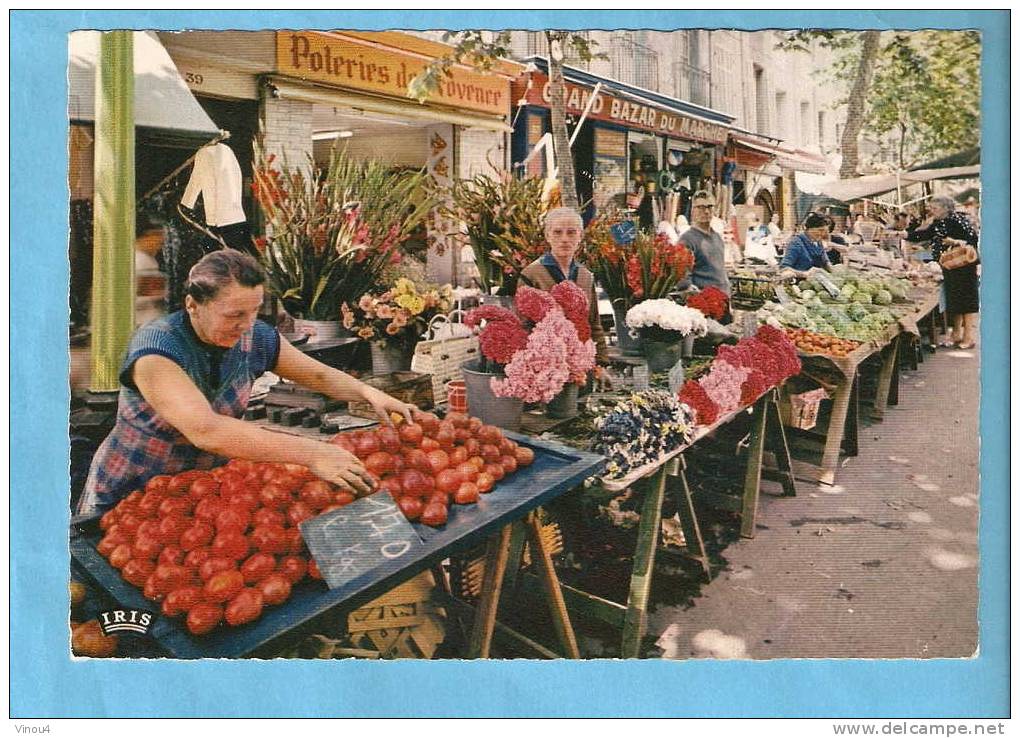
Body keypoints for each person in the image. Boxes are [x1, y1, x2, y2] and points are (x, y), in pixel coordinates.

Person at [78, 250, 416, 515]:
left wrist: (367, 392)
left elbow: (317, 375)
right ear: (193, 305)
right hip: (129, 492)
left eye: (254, 311)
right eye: (234, 314)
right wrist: (314, 452)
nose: (246, 324)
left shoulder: (256, 338)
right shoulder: (156, 350)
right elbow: (206, 430)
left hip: (200, 494)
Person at [520, 206, 610, 368]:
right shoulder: (532, 274)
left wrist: (601, 365)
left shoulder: (586, 276)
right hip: (544, 362)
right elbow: (524, 327)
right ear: (547, 236)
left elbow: (594, 324)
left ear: (580, 236)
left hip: (582, 362)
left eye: (571, 232)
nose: (564, 239)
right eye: (557, 232)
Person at [905, 195, 979, 349]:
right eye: (931, 208)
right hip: (950, 266)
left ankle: (969, 338)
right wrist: (904, 235)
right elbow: (925, 234)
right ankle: (956, 334)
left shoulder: (958, 220)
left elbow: (973, 239)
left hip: (964, 267)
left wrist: (955, 242)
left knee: (966, 301)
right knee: (955, 301)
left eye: (935, 208)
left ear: (946, 208)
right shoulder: (939, 222)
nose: (932, 211)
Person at [677, 190, 731, 295]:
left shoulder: (717, 237)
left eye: (710, 207)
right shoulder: (687, 240)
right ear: (693, 210)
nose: (706, 211)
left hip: (723, 298)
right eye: (701, 207)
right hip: (705, 302)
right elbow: (682, 277)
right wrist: (694, 294)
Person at [778, 212, 832, 279]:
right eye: (820, 230)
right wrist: (805, 274)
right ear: (809, 228)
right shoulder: (796, 243)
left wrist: (835, 272)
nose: (822, 234)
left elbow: (825, 261)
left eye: (825, 231)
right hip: (799, 284)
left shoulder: (818, 242)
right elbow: (784, 268)